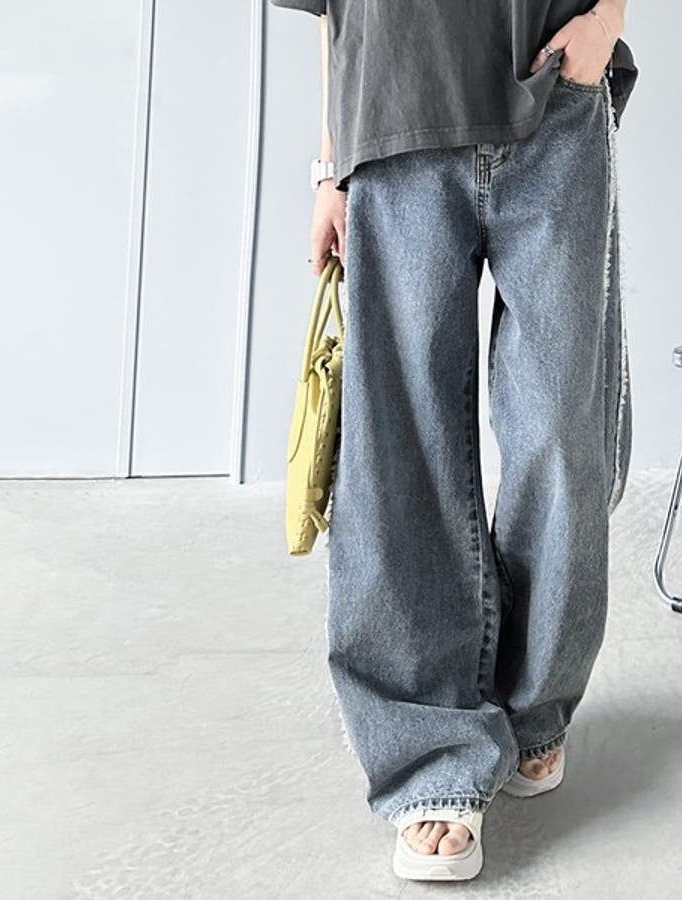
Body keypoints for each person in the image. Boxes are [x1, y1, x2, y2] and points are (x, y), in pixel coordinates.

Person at [271, 0, 637, 882]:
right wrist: (329, 168)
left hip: (554, 104)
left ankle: (536, 705)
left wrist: (606, 20)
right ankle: (431, 753)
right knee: (401, 453)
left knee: (561, 434)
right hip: (391, 120)